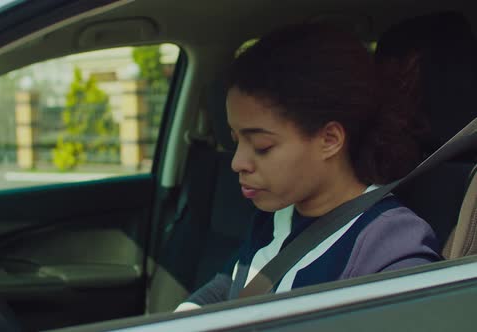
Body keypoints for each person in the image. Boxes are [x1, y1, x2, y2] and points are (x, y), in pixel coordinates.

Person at [175, 23, 441, 311]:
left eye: (262, 146)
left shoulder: (389, 246)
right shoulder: (276, 216)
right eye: (235, 140)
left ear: (329, 140)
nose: (237, 162)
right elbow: (231, 286)